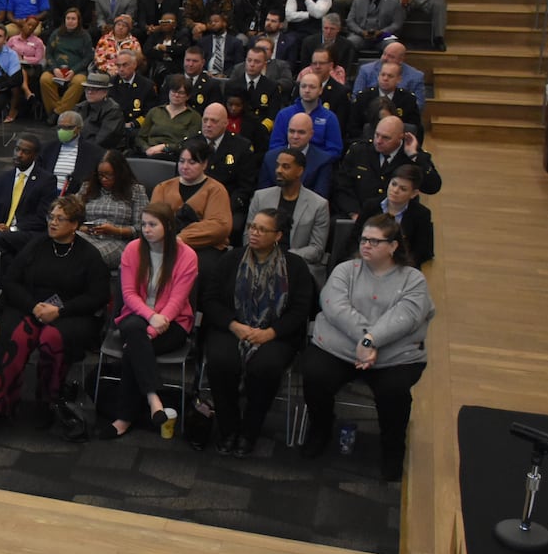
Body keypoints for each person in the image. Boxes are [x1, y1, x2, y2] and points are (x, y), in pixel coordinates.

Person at [300, 215, 434, 480]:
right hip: (339, 349)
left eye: (374, 241)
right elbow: (335, 307)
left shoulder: (413, 279)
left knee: (394, 393)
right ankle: (321, 429)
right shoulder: (345, 270)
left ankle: (392, 450)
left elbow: (406, 317)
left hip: (394, 356)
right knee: (315, 374)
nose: (366, 245)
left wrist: (371, 340)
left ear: (393, 246)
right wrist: (365, 339)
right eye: (363, 239)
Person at [0, 195, 111, 441]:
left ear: (74, 225)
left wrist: (59, 311)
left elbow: (98, 296)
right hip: (32, 307)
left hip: (70, 313)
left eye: (60, 219)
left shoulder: (88, 255)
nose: (53, 223)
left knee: (51, 339)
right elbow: (11, 281)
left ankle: (46, 401)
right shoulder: (37, 245)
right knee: (18, 336)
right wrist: (33, 306)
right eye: (51, 217)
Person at [199, 209, 314, 456]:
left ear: (278, 235)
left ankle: (250, 430)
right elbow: (209, 300)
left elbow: (300, 310)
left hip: (275, 333)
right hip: (232, 328)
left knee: (266, 367)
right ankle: (228, 428)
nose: (254, 232)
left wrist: (270, 333)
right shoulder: (231, 260)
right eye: (252, 226)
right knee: (220, 361)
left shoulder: (295, 267)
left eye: (262, 229)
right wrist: (234, 325)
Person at [100, 201, 199, 438]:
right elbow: (129, 295)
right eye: (143, 224)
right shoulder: (133, 250)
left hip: (173, 323)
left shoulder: (187, 256)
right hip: (137, 316)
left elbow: (178, 300)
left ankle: (124, 418)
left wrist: (153, 329)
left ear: (168, 226)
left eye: (152, 224)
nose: (146, 229)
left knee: (134, 348)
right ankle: (154, 398)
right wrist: (150, 317)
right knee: (134, 330)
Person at [335, 115, 442, 222]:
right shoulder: (359, 151)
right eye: (377, 135)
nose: (378, 141)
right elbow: (342, 186)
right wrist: (355, 214)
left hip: (398, 220)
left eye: (386, 137)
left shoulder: (411, 156)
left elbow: (433, 187)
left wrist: (415, 156)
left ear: (401, 137)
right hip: (359, 215)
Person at [247, 148, 330, 283]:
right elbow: (248, 235)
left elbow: (316, 249)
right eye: (278, 165)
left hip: (296, 264)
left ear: (300, 171)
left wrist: (283, 257)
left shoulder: (319, 205)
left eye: (286, 167)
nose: (278, 170)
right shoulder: (260, 197)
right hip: (259, 259)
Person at [150, 135, 233, 258]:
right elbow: (153, 220)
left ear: (204, 164)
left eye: (192, 162)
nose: (185, 167)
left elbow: (219, 226)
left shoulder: (216, 190)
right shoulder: (162, 188)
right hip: (166, 244)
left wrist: (181, 238)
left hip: (204, 247)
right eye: (182, 161)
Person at [0, 135, 61, 258]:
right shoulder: (2, 179)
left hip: (28, 232)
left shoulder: (46, 180)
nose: (19, 154)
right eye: (17, 149)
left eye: (25, 152)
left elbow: (42, 217)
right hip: (1, 232)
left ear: (35, 155)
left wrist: (11, 229)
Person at [348, 163, 434, 267]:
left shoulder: (421, 215)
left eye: (403, 189)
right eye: (393, 184)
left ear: (414, 194)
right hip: (365, 262)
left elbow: (422, 252)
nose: (395, 190)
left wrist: (396, 265)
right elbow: (354, 238)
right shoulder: (370, 206)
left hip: (401, 267)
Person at [77, 150, 148, 270]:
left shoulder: (136, 191)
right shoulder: (87, 187)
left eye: (109, 175)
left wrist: (115, 230)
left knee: (89, 256)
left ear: (120, 173)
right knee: (64, 246)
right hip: (86, 235)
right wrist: (81, 227)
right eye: (100, 175)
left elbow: (142, 228)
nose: (104, 179)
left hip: (117, 240)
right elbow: (71, 214)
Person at [258, 111, 335, 198]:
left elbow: (320, 197)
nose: (295, 136)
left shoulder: (323, 160)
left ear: (311, 134)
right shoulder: (270, 158)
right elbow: (263, 195)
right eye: (291, 131)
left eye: (301, 132)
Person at [136, 75, 202, 160]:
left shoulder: (194, 117)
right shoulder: (155, 111)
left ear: (188, 96)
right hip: (149, 152)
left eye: (181, 93)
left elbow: (189, 144)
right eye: (174, 91)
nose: (176, 95)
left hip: (175, 155)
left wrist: (165, 147)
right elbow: (140, 137)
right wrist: (147, 149)